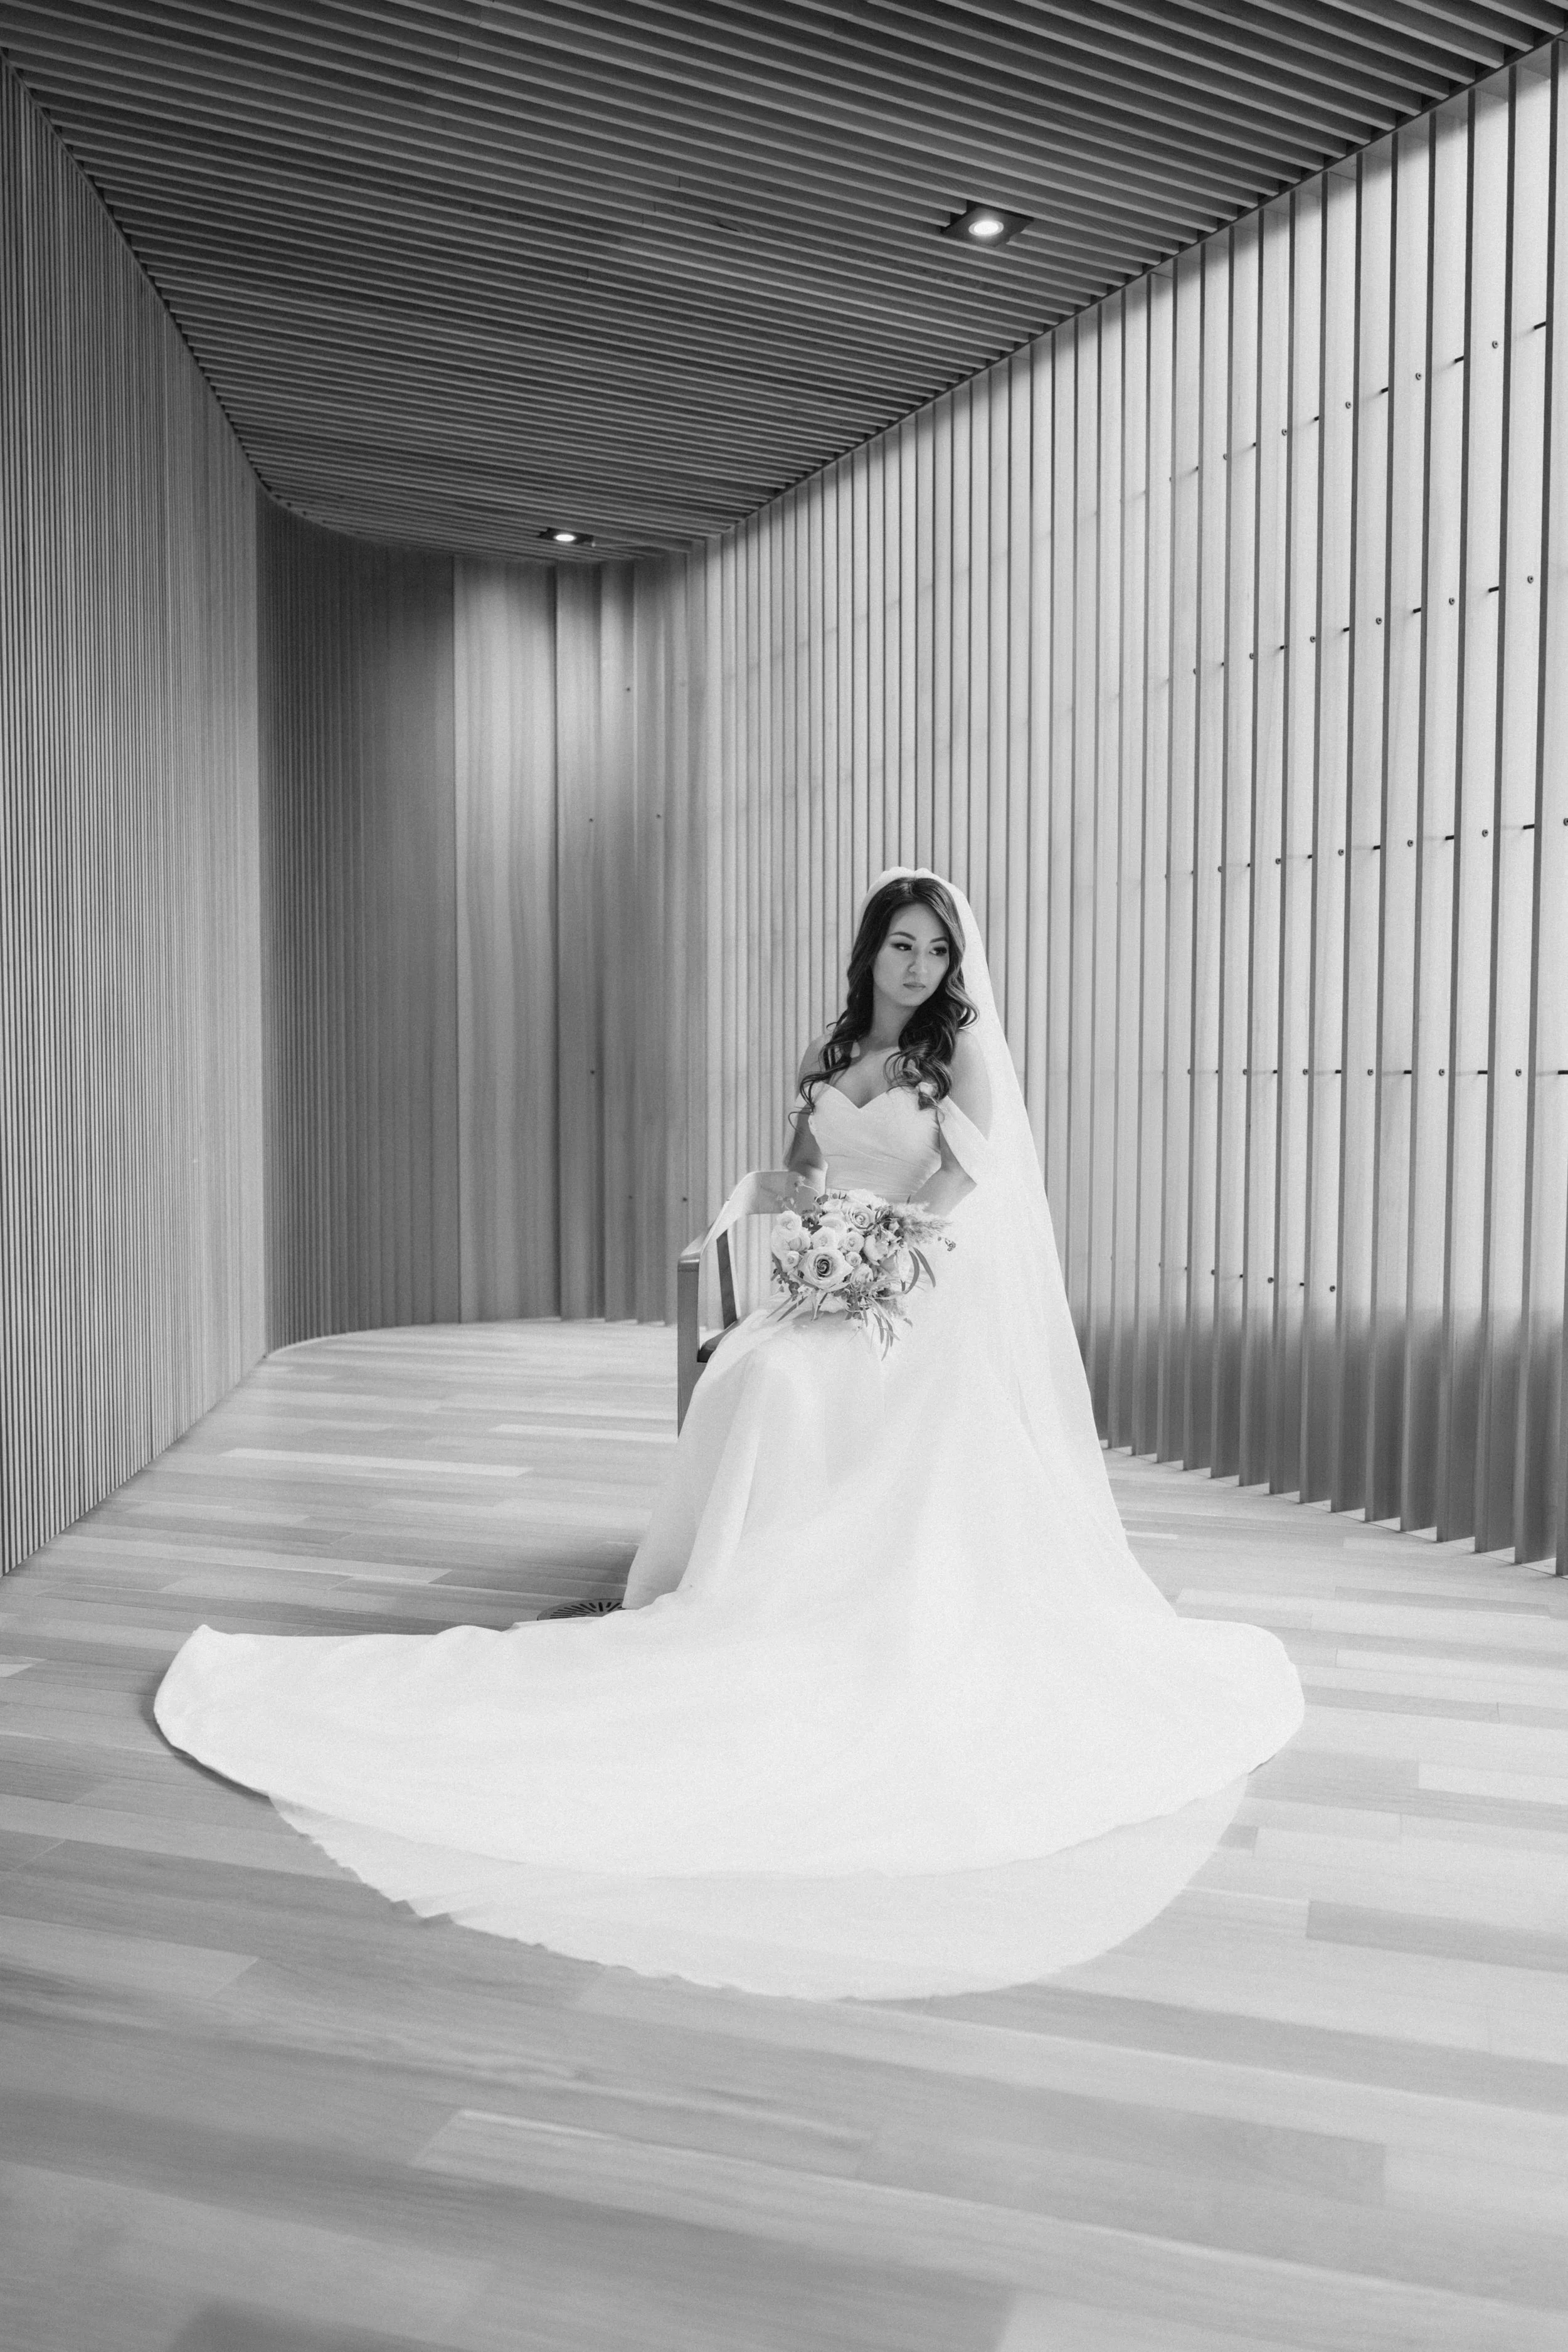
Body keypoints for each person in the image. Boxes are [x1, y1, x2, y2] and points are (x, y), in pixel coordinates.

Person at [156, 870, 1303, 1999]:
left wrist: (885, 1250)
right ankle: (725, 1576)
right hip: (828, 1271)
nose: (920, 966)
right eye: (903, 945)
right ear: (873, 951)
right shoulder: (829, 1053)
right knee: (753, 1376)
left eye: (937, 951)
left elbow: (974, 1183)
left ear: (956, 966)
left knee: (796, 1390)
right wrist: (806, 1222)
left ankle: (808, 1590)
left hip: (915, 1285)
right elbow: (804, 1172)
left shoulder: (952, 1057)